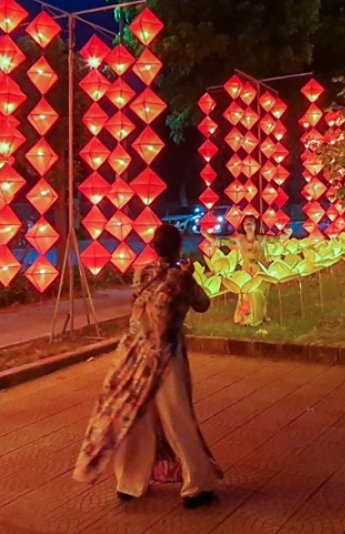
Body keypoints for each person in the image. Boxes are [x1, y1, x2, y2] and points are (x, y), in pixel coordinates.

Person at [73, 224, 222, 508]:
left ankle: (130, 482)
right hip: (166, 357)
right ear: (178, 248)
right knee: (177, 418)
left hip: (134, 353)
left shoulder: (142, 273)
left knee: (137, 418)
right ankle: (197, 485)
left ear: (154, 247)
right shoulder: (181, 278)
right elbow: (203, 304)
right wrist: (190, 277)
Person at [233, 215, 268, 326]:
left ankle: (257, 317)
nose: (249, 225)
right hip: (246, 272)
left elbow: (279, 238)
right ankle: (245, 317)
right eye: (246, 223)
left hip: (260, 273)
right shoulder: (239, 239)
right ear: (243, 226)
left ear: (255, 225)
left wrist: (287, 232)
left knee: (257, 293)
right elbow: (219, 241)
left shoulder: (262, 239)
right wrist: (206, 234)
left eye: (251, 223)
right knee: (245, 293)